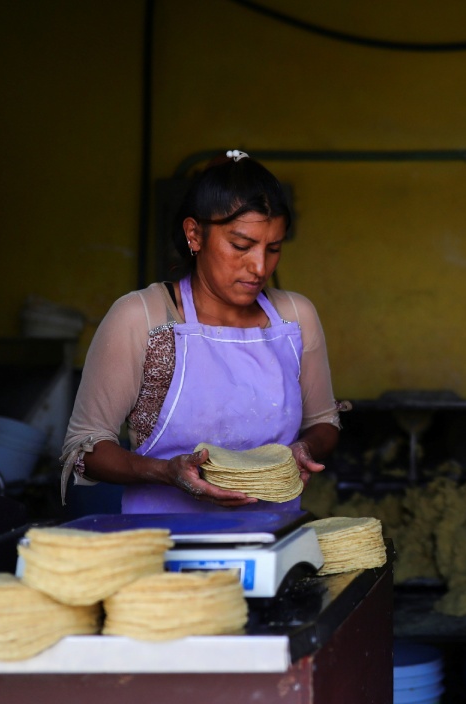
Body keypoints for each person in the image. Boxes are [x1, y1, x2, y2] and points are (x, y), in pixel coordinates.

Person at [62, 151, 342, 513]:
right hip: (166, 547)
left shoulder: (294, 316)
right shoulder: (142, 317)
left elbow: (324, 422)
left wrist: (306, 449)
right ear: (195, 234)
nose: (259, 267)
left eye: (273, 248)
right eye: (241, 246)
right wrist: (165, 472)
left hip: (273, 542)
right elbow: (86, 448)